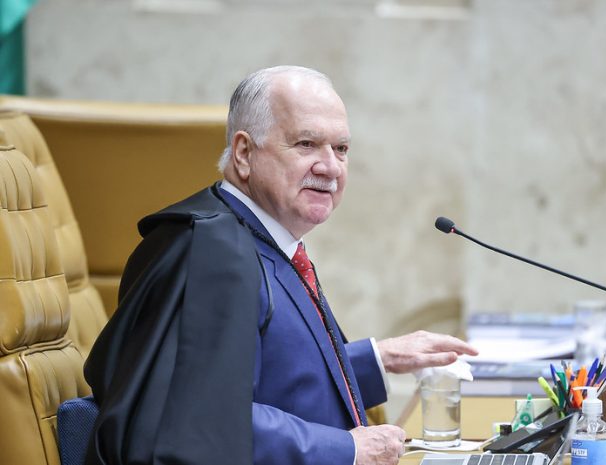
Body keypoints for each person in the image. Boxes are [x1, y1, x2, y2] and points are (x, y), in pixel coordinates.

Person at [83, 65, 478, 465]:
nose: (330, 167)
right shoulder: (211, 251)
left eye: (341, 149)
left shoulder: (257, 236)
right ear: (244, 153)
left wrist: (378, 358)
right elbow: (196, 421)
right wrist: (349, 449)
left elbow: (265, 379)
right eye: (307, 144)